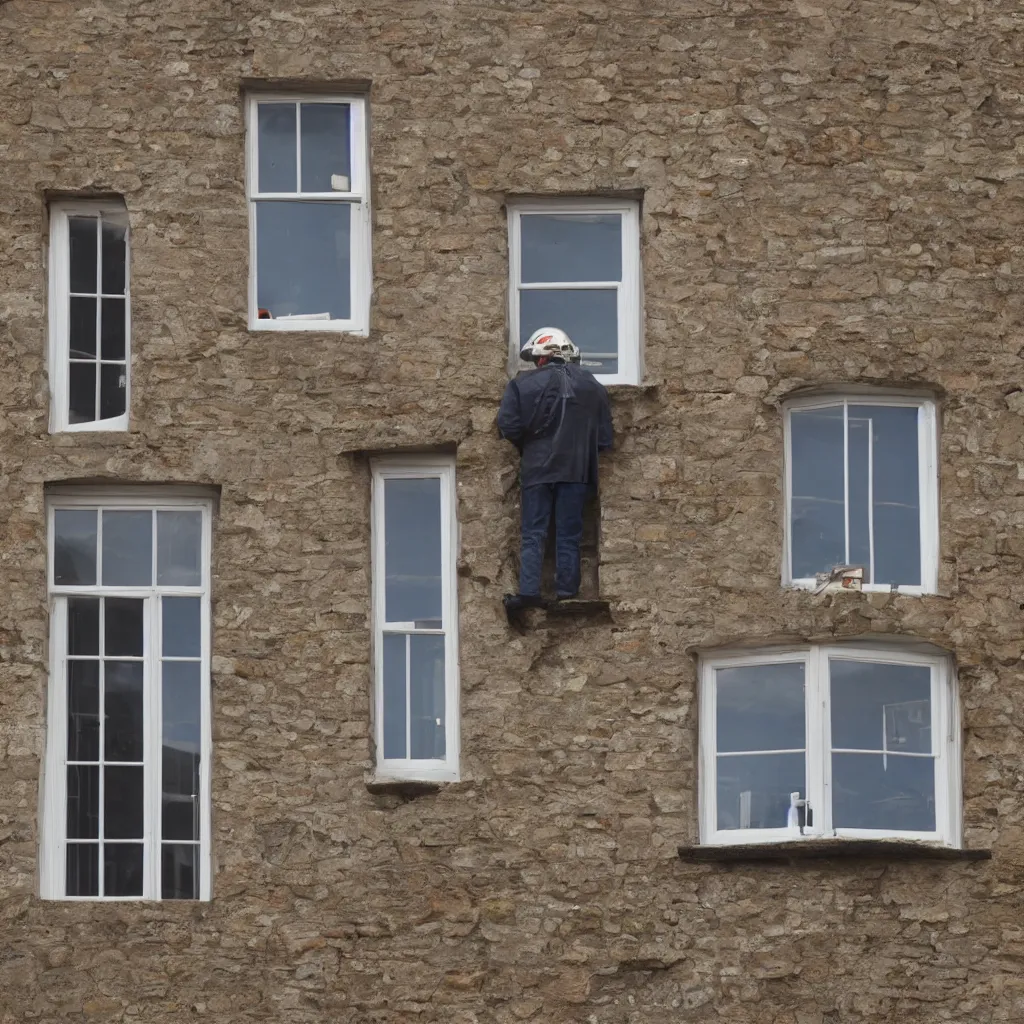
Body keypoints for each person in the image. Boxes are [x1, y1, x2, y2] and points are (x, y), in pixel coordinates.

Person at [497, 327, 614, 612]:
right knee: (569, 533)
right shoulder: (592, 385)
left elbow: (508, 426)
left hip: (537, 468)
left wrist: (532, 444)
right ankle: (566, 592)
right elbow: (604, 438)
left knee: (534, 532)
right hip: (576, 470)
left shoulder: (521, 384)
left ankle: (528, 593)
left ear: (540, 357)